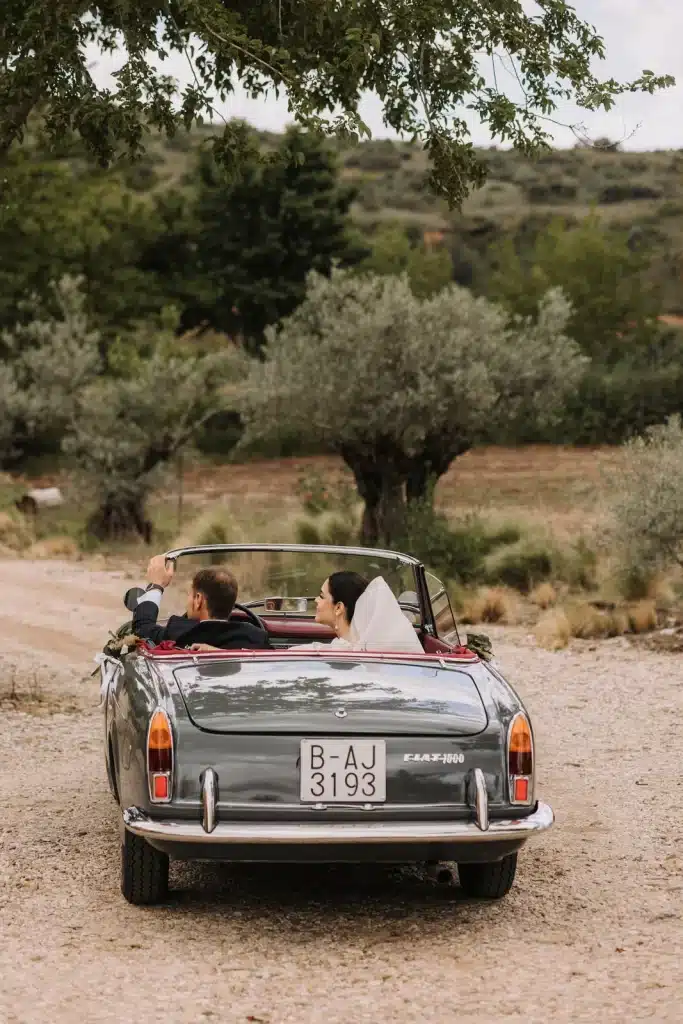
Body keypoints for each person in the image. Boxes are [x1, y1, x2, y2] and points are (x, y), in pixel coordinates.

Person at [132, 554, 270, 650]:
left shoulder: (179, 632)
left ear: (198, 600)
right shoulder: (256, 636)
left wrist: (156, 586)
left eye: (189, 595)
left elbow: (142, 628)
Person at [291, 571, 424, 653]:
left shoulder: (330, 653)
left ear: (338, 608)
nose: (316, 600)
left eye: (321, 596)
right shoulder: (366, 648)